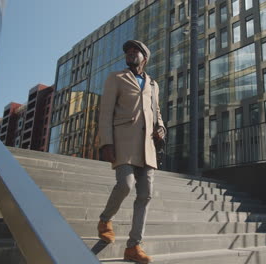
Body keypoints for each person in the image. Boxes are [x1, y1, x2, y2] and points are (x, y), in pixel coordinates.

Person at [97, 40, 165, 264]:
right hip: (123, 142)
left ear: (144, 57)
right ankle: (105, 219)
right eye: (128, 50)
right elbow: (105, 112)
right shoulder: (116, 78)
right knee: (125, 184)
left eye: (136, 50)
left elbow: (157, 113)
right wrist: (106, 142)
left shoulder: (154, 85)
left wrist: (161, 129)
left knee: (145, 195)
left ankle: (134, 246)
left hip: (148, 147)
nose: (131, 53)